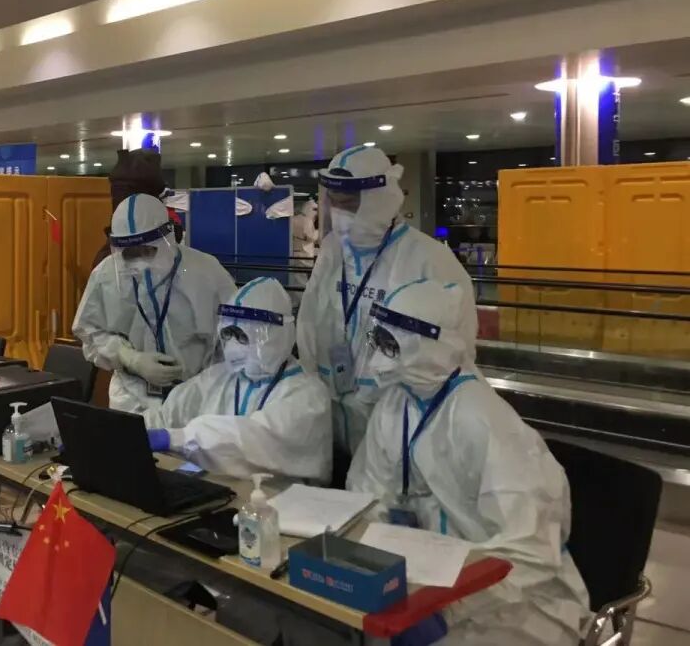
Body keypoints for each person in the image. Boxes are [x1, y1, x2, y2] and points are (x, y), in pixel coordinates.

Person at [346, 278, 589, 646]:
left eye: (392, 346)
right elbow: (367, 493)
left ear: (431, 345)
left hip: (517, 601)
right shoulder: (394, 406)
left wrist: (448, 607)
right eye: (378, 342)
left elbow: (530, 549)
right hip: (425, 580)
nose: (378, 361)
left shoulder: (483, 420)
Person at [297, 144, 477, 455]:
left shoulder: (429, 260)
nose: (340, 214)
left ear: (379, 200)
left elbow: (455, 349)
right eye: (335, 203)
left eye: (350, 204)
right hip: (331, 416)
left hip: (394, 422)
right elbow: (310, 319)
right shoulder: (332, 250)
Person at [144, 277, 333, 481]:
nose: (233, 347)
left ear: (277, 335)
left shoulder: (307, 394)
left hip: (281, 496)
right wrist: (136, 430)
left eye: (243, 336)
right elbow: (170, 412)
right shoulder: (219, 378)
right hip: (222, 488)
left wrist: (176, 438)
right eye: (228, 334)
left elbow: (255, 439)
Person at [73, 193, 236, 415]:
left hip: (196, 399)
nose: (140, 261)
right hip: (131, 399)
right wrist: (131, 359)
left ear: (167, 239)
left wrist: (208, 382)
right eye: (131, 253)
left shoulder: (206, 272)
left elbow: (234, 334)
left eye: (148, 250)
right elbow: (90, 332)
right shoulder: (106, 275)